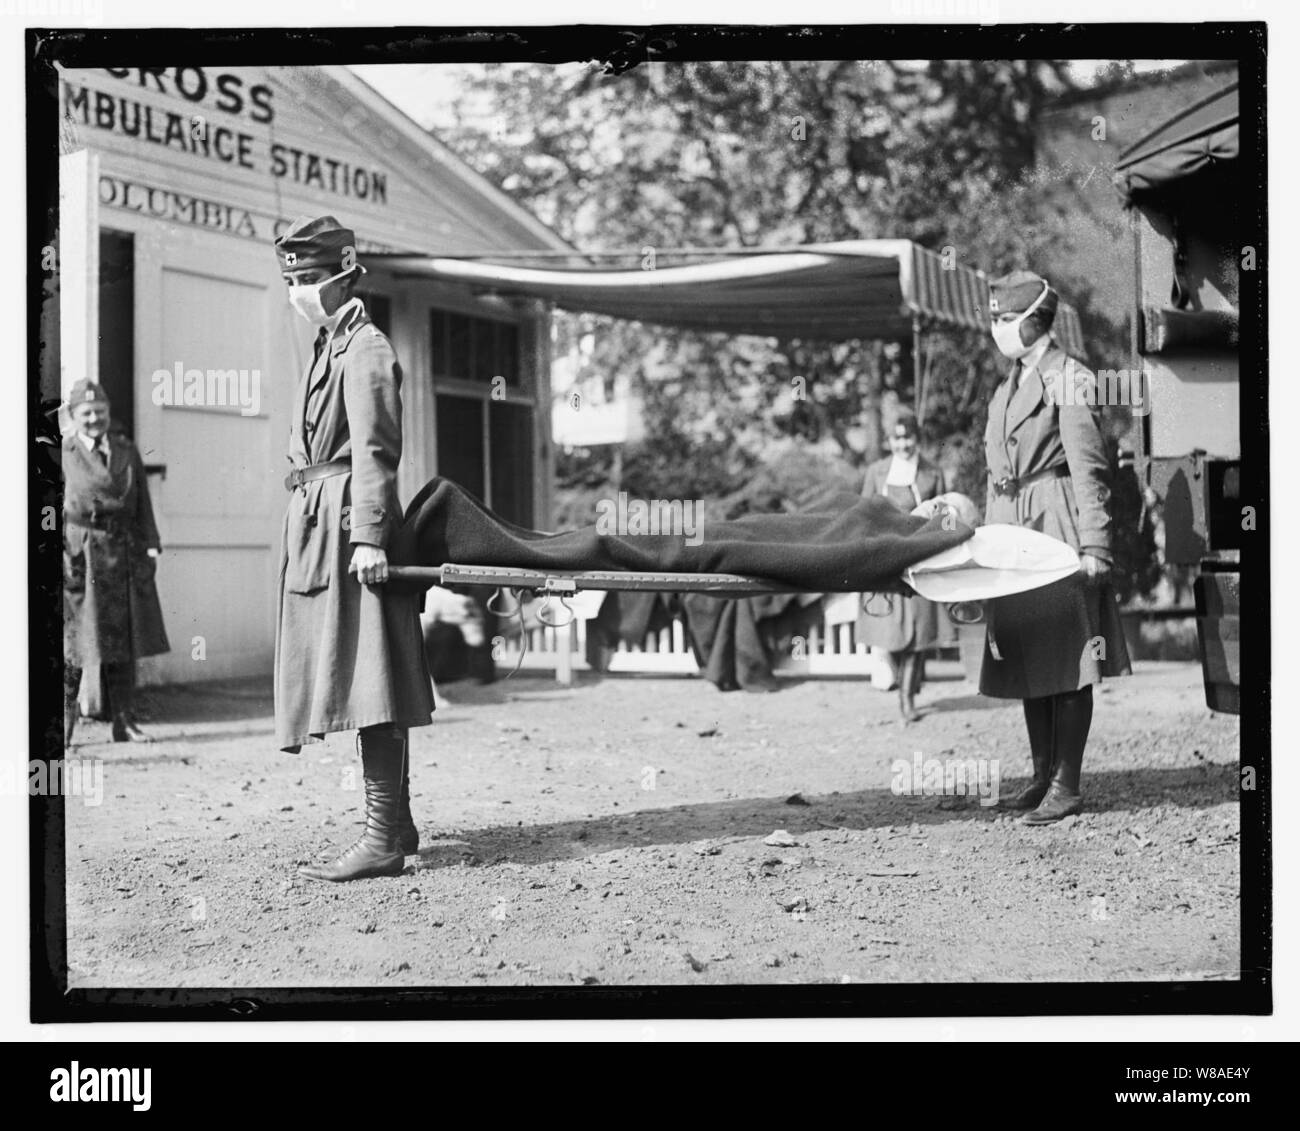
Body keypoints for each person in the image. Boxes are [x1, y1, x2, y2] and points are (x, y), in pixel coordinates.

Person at [273, 215, 435, 882]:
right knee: (362, 675)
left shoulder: (364, 347)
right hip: (319, 524)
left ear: (344, 274)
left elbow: (375, 450)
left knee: (373, 680)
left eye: (308, 278)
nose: (299, 290)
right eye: (290, 279)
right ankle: (396, 824)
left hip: (348, 528)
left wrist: (369, 535)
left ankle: (381, 839)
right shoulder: (329, 344)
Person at [981, 270, 1131, 824]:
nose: (995, 328)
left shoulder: (1069, 378)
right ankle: (1042, 776)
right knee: (1029, 658)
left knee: (1068, 660)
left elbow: (1091, 468)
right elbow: (996, 469)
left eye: (1003, 319)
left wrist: (1096, 546)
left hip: (1056, 526)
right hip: (1012, 529)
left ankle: (1066, 786)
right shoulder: (1009, 384)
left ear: (1032, 321)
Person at [62, 379, 169, 745]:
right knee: (75, 641)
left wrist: (151, 544)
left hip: (123, 552)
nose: (94, 419)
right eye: (87, 413)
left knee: (122, 640)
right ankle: (62, 727)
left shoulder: (126, 450)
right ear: (74, 417)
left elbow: (142, 504)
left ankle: (124, 722)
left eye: (100, 412)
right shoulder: (63, 453)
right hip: (81, 556)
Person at [857, 411, 948, 722]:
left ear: (917, 439)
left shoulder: (932, 473)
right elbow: (862, 514)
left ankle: (907, 699)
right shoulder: (876, 472)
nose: (903, 444)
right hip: (884, 559)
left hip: (919, 558)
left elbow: (944, 517)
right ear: (889, 441)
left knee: (918, 632)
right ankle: (904, 680)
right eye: (897, 438)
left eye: (908, 437)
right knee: (890, 631)